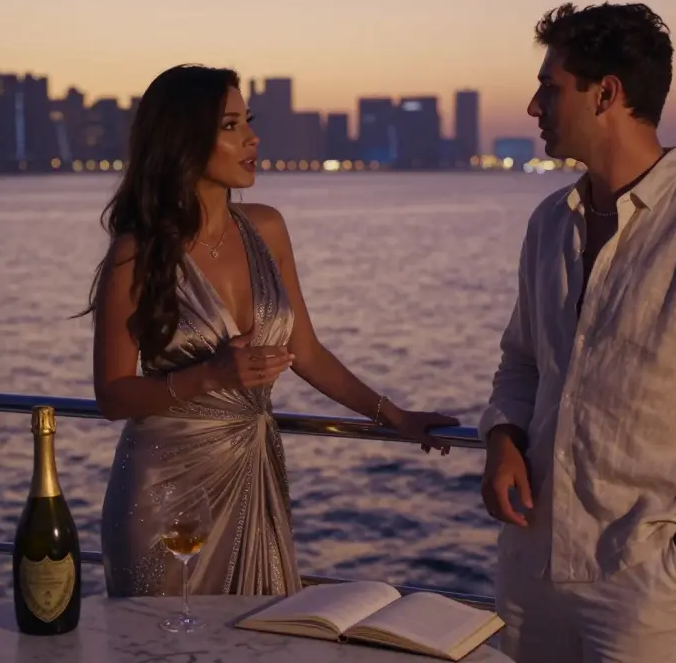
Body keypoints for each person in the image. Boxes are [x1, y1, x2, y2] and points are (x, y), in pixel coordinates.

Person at [478, 3, 676, 662]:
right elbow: (522, 360)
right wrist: (503, 436)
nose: (534, 106)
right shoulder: (549, 224)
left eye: (550, 86)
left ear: (607, 94)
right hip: (531, 559)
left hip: (640, 577)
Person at [86, 64, 457, 598]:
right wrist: (210, 375)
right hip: (165, 493)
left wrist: (394, 415)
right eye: (231, 125)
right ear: (184, 140)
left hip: (254, 470)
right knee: (166, 645)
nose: (253, 138)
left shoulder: (267, 227)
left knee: (261, 637)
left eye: (248, 121)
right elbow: (112, 396)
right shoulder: (136, 254)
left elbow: (303, 349)